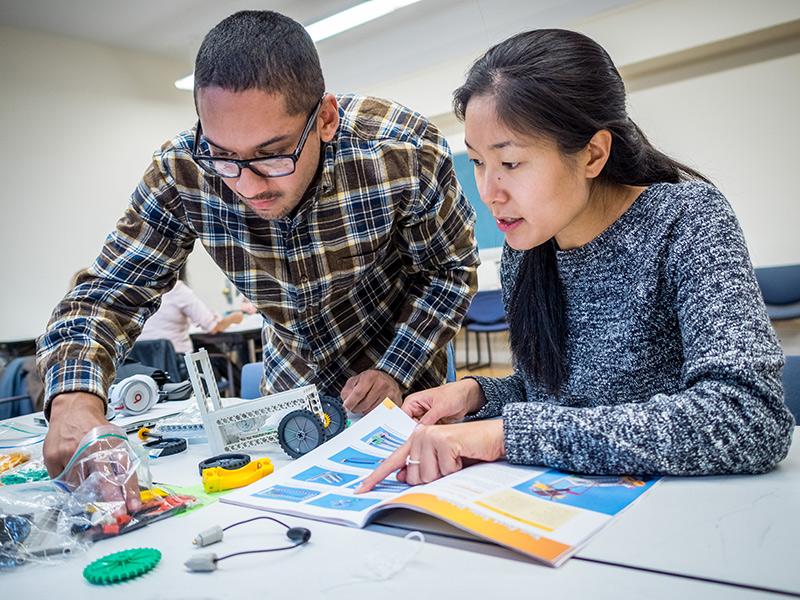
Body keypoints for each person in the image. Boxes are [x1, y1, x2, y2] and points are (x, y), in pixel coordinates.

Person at [37, 10, 479, 488]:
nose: (247, 185)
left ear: (325, 119)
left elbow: (451, 272)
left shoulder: (402, 151)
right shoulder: (181, 171)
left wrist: (396, 368)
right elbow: (109, 291)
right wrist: (75, 399)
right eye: (224, 156)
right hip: (290, 387)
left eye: (272, 153)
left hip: (404, 380)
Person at [358, 28, 794, 493]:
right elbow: (556, 398)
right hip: (572, 509)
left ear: (593, 153)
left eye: (511, 163)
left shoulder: (686, 221)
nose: (488, 193)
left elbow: (750, 417)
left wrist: (507, 435)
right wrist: (481, 395)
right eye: (479, 163)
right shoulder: (524, 253)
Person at [137, 265, 244, 354]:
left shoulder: (138, 291)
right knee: (212, 352)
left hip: (144, 367)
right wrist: (234, 317)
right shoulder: (176, 290)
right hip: (177, 362)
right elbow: (212, 327)